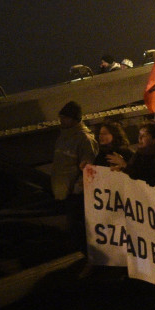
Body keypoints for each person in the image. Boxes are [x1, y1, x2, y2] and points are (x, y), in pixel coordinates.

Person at [52, 101, 98, 245]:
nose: (61, 120)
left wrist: (77, 187)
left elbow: (89, 165)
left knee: (79, 226)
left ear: (74, 119)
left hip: (76, 193)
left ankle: (86, 253)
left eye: (65, 117)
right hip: (66, 190)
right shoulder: (64, 135)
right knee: (73, 225)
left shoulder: (84, 139)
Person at [115, 120, 155, 186]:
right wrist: (122, 168)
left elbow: (144, 176)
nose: (140, 138)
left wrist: (125, 165)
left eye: (144, 135)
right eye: (140, 134)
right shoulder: (139, 153)